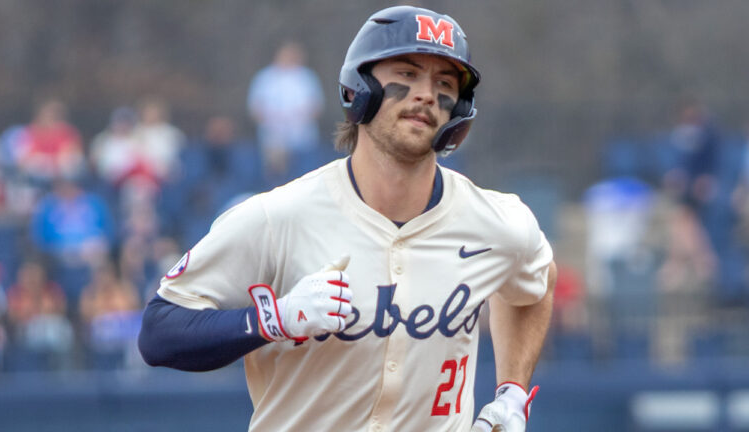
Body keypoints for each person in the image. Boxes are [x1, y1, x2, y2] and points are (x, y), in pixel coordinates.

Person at [138, 6, 556, 432]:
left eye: (444, 83)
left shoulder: (495, 222)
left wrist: (512, 393)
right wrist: (273, 320)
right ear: (361, 87)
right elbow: (160, 330)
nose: (427, 94)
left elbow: (536, 281)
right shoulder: (279, 217)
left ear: (459, 109)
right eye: (407, 74)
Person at [247, 40, 324, 187]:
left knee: (304, 181)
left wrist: (297, 119)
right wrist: (275, 124)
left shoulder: (307, 77)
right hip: (273, 141)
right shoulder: (265, 78)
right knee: (275, 181)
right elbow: (255, 108)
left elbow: (316, 107)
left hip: (302, 141)